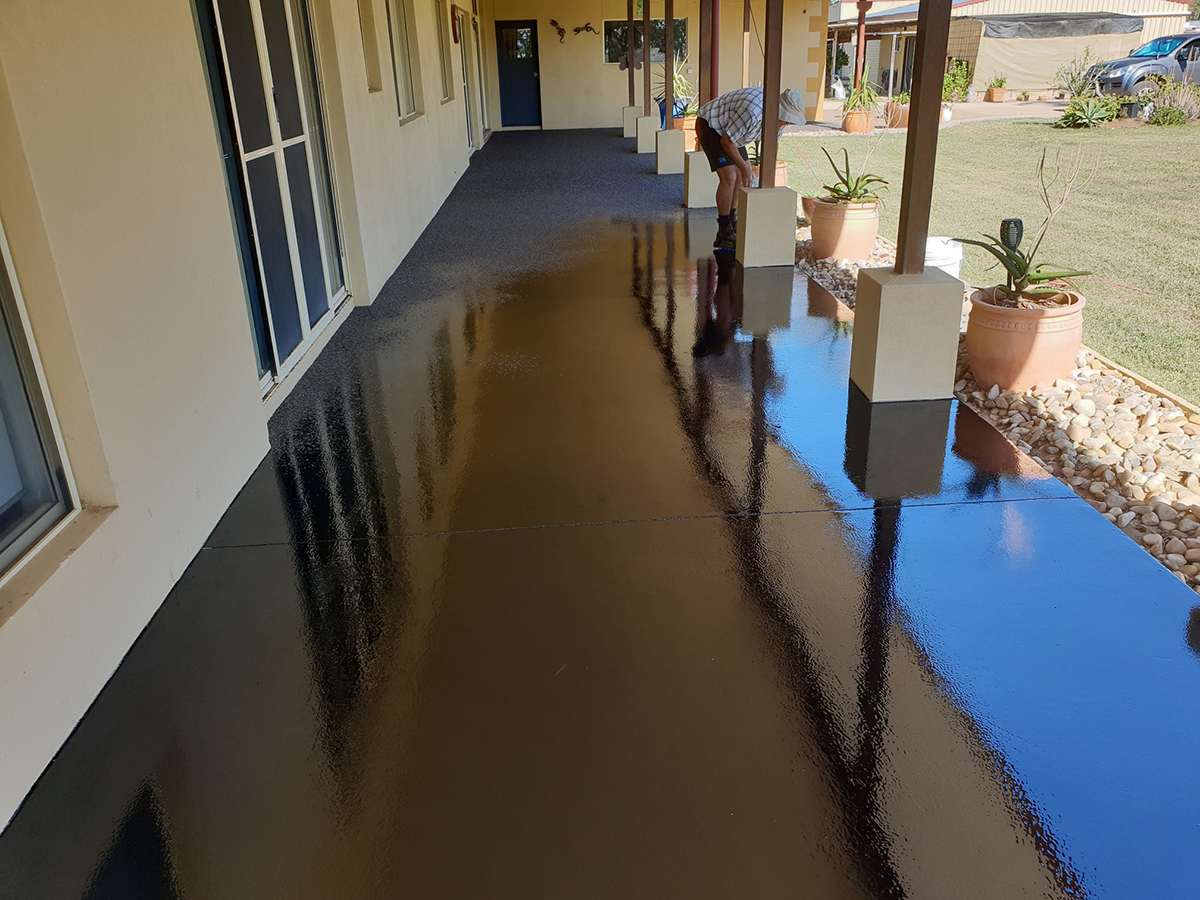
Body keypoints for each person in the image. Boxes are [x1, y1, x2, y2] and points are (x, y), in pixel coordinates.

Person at [695, 87, 807, 251]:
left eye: (788, 121)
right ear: (775, 109)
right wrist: (746, 168)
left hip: (732, 132)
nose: (785, 124)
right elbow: (726, 142)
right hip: (711, 125)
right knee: (731, 176)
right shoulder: (752, 111)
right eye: (784, 119)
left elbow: (771, 148)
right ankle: (723, 231)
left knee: (743, 176)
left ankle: (732, 222)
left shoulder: (779, 121)